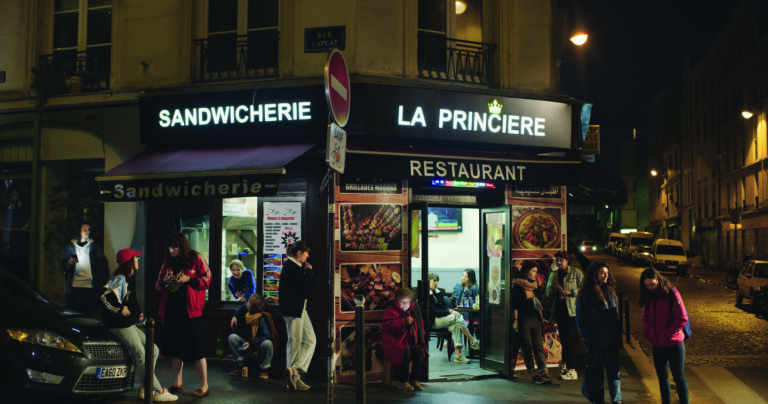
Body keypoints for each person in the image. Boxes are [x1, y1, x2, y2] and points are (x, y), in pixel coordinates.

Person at [100, 248, 178, 402]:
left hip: (128, 324)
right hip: (120, 325)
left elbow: (129, 299)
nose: (138, 261)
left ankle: (145, 388)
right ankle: (158, 389)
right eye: (136, 259)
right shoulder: (120, 278)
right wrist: (119, 309)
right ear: (129, 262)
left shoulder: (129, 278)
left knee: (154, 350)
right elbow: (103, 297)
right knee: (141, 355)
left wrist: (137, 314)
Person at [156, 233, 212, 398]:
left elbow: (207, 279)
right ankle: (178, 382)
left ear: (182, 246)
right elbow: (158, 284)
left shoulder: (196, 258)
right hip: (172, 309)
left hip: (191, 310)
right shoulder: (167, 262)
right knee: (175, 348)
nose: (171, 250)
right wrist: (167, 281)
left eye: (175, 246)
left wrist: (188, 279)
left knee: (196, 349)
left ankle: (204, 385)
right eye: (170, 246)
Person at [638, 268, 689, 404]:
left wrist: (668, 334)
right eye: (647, 286)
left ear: (658, 280)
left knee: (679, 377)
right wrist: (648, 332)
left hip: (674, 344)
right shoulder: (648, 296)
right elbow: (645, 317)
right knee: (662, 379)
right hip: (657, 344)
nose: (650, 288)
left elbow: (682, 318)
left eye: (652, 284)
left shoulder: (672, 293)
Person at [576, 261, 623, 404]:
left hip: (611, 339)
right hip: (596, 340)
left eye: (607, 273)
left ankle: (617, 400)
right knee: (597, 374)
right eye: (602, 273)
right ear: (595, 274)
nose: (605, 276)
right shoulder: (587, 294)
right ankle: (598, 400)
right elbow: (581, 319)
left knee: (614, 373)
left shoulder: (609, 291)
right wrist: (589, 338)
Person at [278, 240, 315, 391]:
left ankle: (295, 370)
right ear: (299, 253)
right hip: (294, 309)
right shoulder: (292, 267)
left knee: (310, 339)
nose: (307, 256)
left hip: (299, 308)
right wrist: (309, 272)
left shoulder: (294, 266)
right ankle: (294, 378)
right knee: (294, 343)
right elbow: (304, 286)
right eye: (306, 253)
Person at [545, 250, 584, 380]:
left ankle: (572, 368)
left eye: (561, 260)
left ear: (567, 260)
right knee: (564, 340)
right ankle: (566, 366)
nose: (559, 262)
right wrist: (554, 290)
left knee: (569, 340)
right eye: (557, 260)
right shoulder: (553, 275)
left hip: (572, 311)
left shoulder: (576, 273)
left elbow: (583, 290)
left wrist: (570, 291)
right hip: (560, 310)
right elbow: (547, 294)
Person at [382, 287, 428, 391]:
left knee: (421, 353)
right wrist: (404, 322)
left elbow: (420, 323)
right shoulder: (391, 309)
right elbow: (388, 325)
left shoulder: (413, 308)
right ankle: (402, 381)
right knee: (404, 352)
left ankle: (414, 379)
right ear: (397, 300)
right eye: (402, 302)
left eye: (407, 302)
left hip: (411, 340)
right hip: (396, 340)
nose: (405, 305)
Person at [511, 261, 550, 384]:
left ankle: (543, 371)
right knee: (527, 346)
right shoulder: (517, 286)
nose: (535, 274)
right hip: (524, 318)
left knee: (538, 345)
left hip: (536, 318)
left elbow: (539, 300)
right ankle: (532, 372)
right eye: (533, 271)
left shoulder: (536, 285)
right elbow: (515, 305)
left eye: (536, 272)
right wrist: (516, 321)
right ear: (526, 272)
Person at [428, 273, 479, 364]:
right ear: (428, 281)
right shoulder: (426, 294)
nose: (436, 283)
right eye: (434, 281)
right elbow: (433, 312)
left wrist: (449, 311)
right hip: (433, 321)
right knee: (457, 317)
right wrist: (450, 311)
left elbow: (443, 307)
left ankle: (458, 356)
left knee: (456, 323)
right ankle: (472, 340)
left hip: (442, 317)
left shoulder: (438, 292)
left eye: (437, 281)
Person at [60, 223, 109, 316]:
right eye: (85, 229)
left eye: (89, 229)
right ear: (79, 232)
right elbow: (63, 265)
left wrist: (101, 282)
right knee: (70, 311)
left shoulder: (94, 247)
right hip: (74, 284)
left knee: (90, 313)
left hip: (89, 285)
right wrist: (69, 263)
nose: (88, 232)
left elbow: (102, 265)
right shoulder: (70, 247)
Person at [228, 294, 280, 379]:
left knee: (268, 343)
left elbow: (267, 336)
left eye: (249, 303)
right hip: (248, 348)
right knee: (232, 337)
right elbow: (243, 307)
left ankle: (264, 369)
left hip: (258, 350)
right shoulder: (249, 315)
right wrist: (235, 316)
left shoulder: (262, 318)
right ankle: (240, 365)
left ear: (254, 307)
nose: (247, 304)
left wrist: (252, 344)